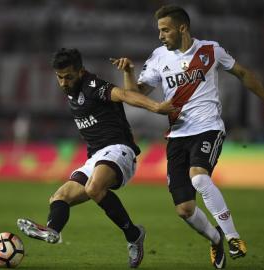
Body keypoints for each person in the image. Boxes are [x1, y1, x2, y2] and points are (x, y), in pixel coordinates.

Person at [111, 5, 264, 269]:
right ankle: (215, 240)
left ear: (182, 28)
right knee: (184, 210)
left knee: (200, 176)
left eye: (165, 30)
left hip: (208, 128)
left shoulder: (210, 50)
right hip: (177, 135)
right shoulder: (158, 58)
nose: (160, 36)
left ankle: (233, 237)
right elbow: (137, 94)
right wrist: (127, 73)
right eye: (159, 30)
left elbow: (243, 73)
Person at [17, 48, 176, 268]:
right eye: (59, 77)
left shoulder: (92, 86)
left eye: (68, 77)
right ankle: (52, 230)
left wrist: (156, 107)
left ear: (80, 72)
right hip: (95, 157)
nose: (63, 82)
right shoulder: (71, 90)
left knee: (93, 189)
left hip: (120, 150)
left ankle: (132, 235)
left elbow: (124, 95)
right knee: (59, 197)